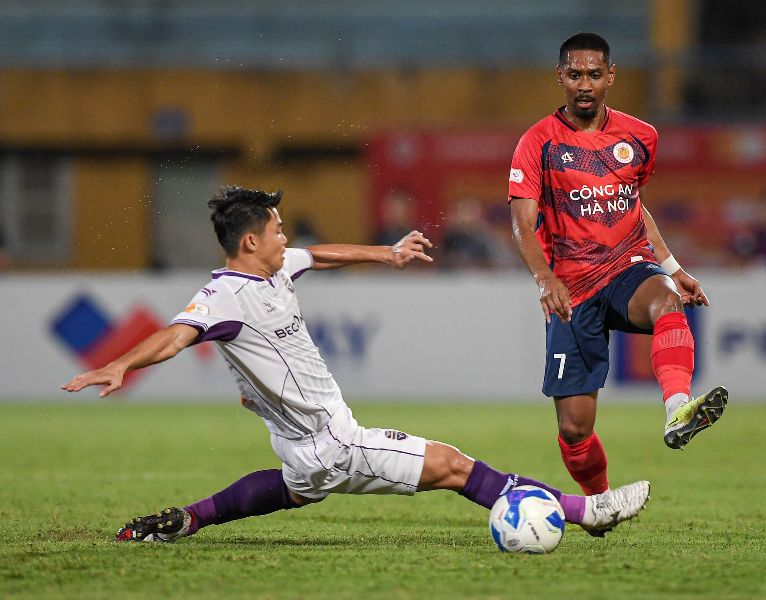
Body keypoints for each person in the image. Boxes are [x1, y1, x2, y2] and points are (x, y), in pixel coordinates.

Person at [62, 186, 650, 542]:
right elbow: (173, 335)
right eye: (274, 229)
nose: (284, 235)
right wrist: (121, 365)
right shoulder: (224, 298)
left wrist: (387, 253)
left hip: (297, 451)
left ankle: (187, 519)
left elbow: (318, 255)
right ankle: (585, 510)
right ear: (248, 244)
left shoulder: (274, 267)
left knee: (294, 489)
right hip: (334, 440)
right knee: (454, 466)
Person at [508, 33, 728, 496]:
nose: (584, 84)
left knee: (668, 303)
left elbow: (633, 206)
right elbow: (522, 225)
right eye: (574, 74)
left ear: (611, 76)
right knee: (574, 428)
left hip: (627, 268)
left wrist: (672, 267)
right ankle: (601, 502)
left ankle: (678, 410)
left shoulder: (641, 137)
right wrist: (545, 278)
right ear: (560, 78)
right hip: (570, 289)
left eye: (593, 74)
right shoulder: (538, 142)